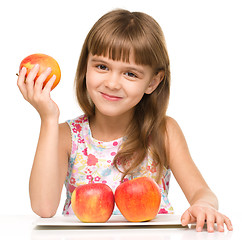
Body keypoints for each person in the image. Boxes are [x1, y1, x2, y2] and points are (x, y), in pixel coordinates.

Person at [17, 9, 233, 232]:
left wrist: (204, 205)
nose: (112, 83)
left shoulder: (164, 131)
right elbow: (43, 207)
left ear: (153, 82)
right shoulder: (66, 136)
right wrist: (48, 118)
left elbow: (202, 192)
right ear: (85, 67)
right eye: (102, 67)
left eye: (130, 74)